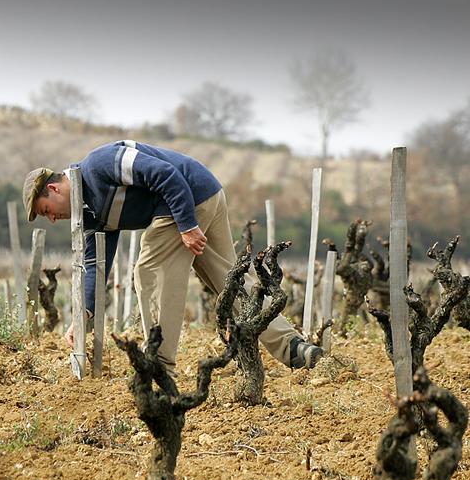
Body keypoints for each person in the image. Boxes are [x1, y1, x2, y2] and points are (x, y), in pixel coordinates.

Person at [22, 140, 323, 375]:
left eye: (46, 210)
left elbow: (166, 174)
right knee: (229, 282)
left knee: (149, 272)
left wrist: (187, 225)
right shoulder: (88, 214)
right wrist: (83, 314)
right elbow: (94, 266)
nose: (51, 219)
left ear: (53, 188)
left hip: (188, 196)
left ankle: (159, 365)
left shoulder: (100, 164)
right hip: (208, 193)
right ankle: (295, 349)